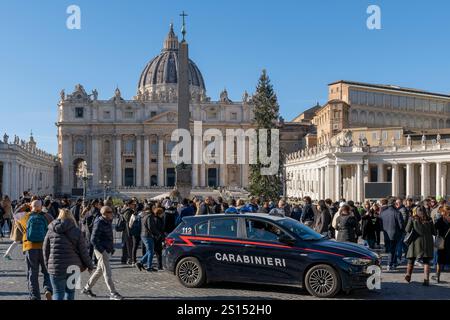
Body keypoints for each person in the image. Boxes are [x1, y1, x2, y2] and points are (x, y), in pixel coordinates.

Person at [43, 209, 94, 300]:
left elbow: (45, 250)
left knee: (58, 292)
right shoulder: (77, 231)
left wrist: (48, 265)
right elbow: (83, 251)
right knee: (70, 292)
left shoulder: (51, 230)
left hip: (56, 267)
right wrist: (90, 265)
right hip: (73, 267)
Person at [82, 206, 123, 300]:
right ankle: (113, 293)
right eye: (110, 212)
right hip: (101, 250)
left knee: (99, 271)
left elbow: (109, 236)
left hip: (106, 249)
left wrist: (111, 248)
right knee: (107, 272)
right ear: (105, 213)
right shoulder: (99, 222)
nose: (112, 213)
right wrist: (102, 251)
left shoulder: (107, 221)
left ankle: (86, 288)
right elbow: (93, 239)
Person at [17, 200, 54, 300]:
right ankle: (48, 289)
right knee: (47, 271)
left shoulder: (25, 216)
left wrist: (25, 206)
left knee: (32, 272)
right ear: (41, 207)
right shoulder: (48, 216)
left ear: (31, 206)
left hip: (30, 247)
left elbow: (15, 214)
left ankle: (35, 296)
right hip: (45, 247)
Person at [404, 205, 436, 286]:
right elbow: (434, 232)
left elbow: (407, 229)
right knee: (426, 261)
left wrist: (410, 220)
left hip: (415, 241)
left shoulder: (413, 218)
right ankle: (426, 280)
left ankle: (408, 275)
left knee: (411, 259)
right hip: (427, 241)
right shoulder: (429, 219)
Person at [380, 197, 404, 271]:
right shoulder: (397, 213)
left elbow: (380, 223)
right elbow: (401, 225)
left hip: (386, 234)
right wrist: (402, 231)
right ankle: (390, 264)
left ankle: (392, 263)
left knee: (389, 249)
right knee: (392, 250)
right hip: (395, 233)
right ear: (394, 203)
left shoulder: (383, 213)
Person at [136, 206, 161, 272]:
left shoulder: (143, 215)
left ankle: (140, 263)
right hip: (147, 235)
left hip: (143, 234)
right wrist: (157, 233)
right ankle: (149, 266)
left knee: (149, 251)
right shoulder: (149, 216)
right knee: (151, 251)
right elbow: (151, 227)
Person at [433, 205, 450, 283]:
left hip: (442, 242)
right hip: (449, 242)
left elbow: (434, 228)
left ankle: (437, 276)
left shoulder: (441, 220)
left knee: (439, 260)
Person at [120, 200, 135, 265]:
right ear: (129, 205)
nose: (134, 205)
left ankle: (124, 259)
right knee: (129, 245)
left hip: (125, 231)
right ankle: (129, 259)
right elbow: (128, 222)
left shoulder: (124, 211)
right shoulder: (129, 211)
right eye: (133, 204)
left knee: (125, 245)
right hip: (128, 230)